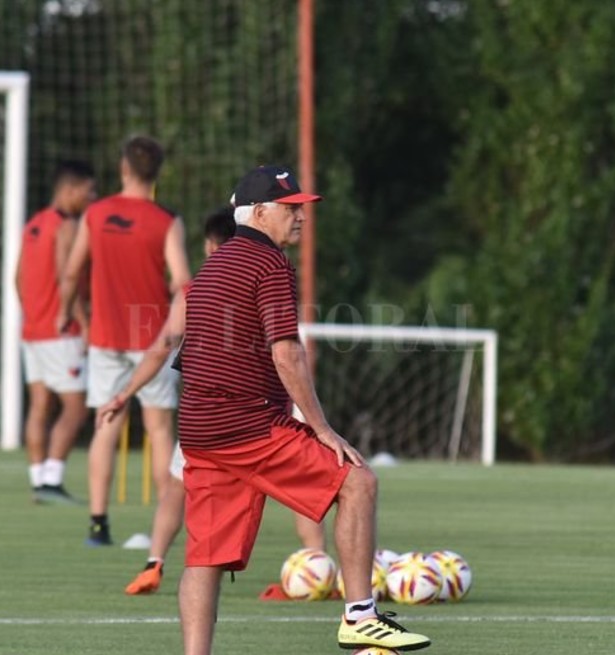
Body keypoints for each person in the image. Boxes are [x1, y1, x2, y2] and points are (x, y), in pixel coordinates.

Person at [174, 166, 431, 654]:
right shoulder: (268, 264)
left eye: (302, 208)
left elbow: (190, 355)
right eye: (290, 208)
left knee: (204, 558)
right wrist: (322, 429)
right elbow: (286, 352)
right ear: (258, 212)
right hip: (246, 424)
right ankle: (360, 617)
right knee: (358, 480)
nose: (300, 217)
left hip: (201, 430)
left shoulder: (214, 264)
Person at [96, 209, 327, 596]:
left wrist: (125, 393)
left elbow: (161, 349)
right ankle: (319, 563)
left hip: (214, 418)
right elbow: (291, 349)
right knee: (308, 488)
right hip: (273, 408)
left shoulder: (197, 287)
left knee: (176, 487)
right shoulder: (269, 269)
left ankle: (155, 562)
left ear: (209, 245)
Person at [59, 136, 191, 545]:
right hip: (152, 337)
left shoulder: (96, 214)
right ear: (157, 173)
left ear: (124, 169)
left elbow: (70, 272)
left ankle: (98, 525)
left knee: (106, 424)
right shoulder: (166, 221)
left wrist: (66, 312)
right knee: (159, 430)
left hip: (106, 336)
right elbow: (183, 282)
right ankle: (160, 533)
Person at [17, 160, 96, 504]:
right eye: (88, 191)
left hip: (32, 329)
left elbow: (17, 279)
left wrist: (33, 312)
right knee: (76, 407)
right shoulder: (66, 226)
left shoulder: (33, 224)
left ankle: (39, 481)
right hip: (62, 331)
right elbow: (69, 277)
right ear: (70, 190)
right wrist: (84, 322)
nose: (92, 197)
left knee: (39, 405)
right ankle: (51, 481)